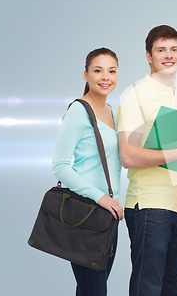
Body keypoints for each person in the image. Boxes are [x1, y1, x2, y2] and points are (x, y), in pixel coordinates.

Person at [117, 25, 177, 296]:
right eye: (161, 50)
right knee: (148, 288)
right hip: (149, 208)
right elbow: (128, 155)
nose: (169, 55)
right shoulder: (136, 95)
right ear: (148, 56)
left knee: (170, 289)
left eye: (174, 49)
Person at [52, 47, 123, 296]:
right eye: (98, 70)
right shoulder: (78, 112)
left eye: (112, 71)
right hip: (85, 215)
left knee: (89, 290)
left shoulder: (113, 113)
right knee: (95, 290)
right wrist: (101, 197)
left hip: (109, 218)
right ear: (85, 75)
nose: (105, 77)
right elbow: (60, 165)